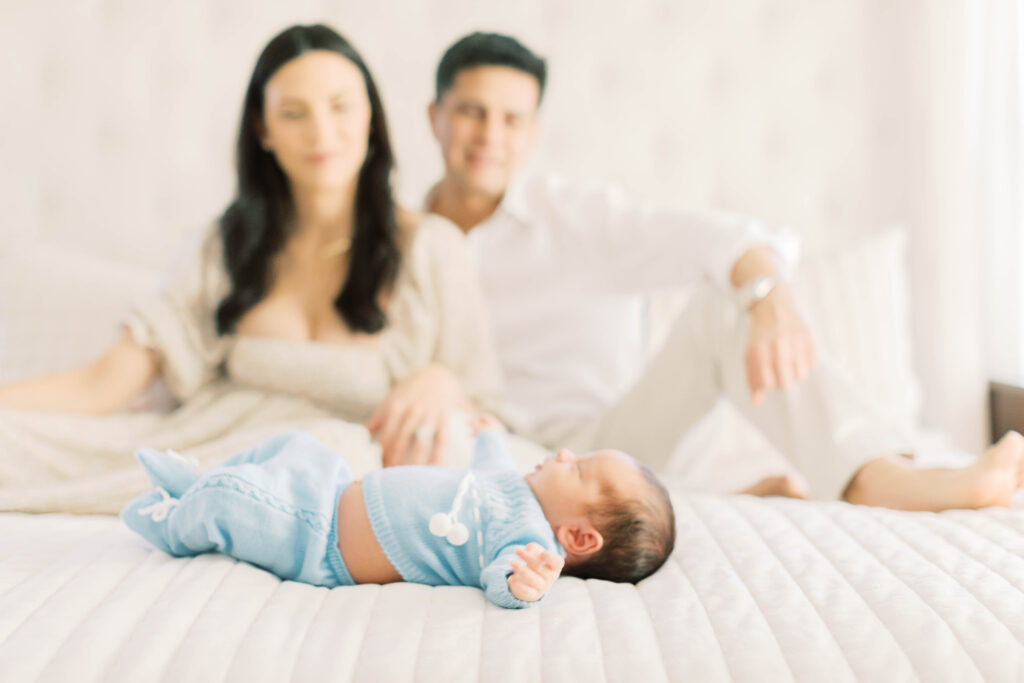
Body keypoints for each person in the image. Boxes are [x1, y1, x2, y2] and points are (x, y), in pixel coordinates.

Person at [422, 32, 1024, 510]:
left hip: (607, 446)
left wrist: (772, 301)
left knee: (725, 302)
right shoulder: (397, 242)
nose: (490, 136)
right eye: (472, 112)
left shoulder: (574, 218)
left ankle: (876, 475)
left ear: (533, 134)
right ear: (435, 117)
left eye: (511, 119)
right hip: (481, 449)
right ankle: (710, 500)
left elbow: (726, 238)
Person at [0, 24, 502, 514]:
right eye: (293, 112)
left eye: (341, 107)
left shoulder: (431, 248)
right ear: (264, 129)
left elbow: (486, 415)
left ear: (371, 116)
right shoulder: (226, 245)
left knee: (337, 452)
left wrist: (442, 380)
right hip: (211, 451)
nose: (321, 132)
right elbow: (102, 383)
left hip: (332, 477)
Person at [120, 426, 676, 608]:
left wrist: (524, 584)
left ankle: (175, 521)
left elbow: (502, 578)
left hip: (319, 542)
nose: (562, 455)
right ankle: (198, 483)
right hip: (332, 489)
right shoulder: (514, 486)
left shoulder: (529, 540)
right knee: (292, 442)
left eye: (577, 470)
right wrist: (485, 431)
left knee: (236, 502)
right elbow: (492, 463)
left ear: (577, 536)